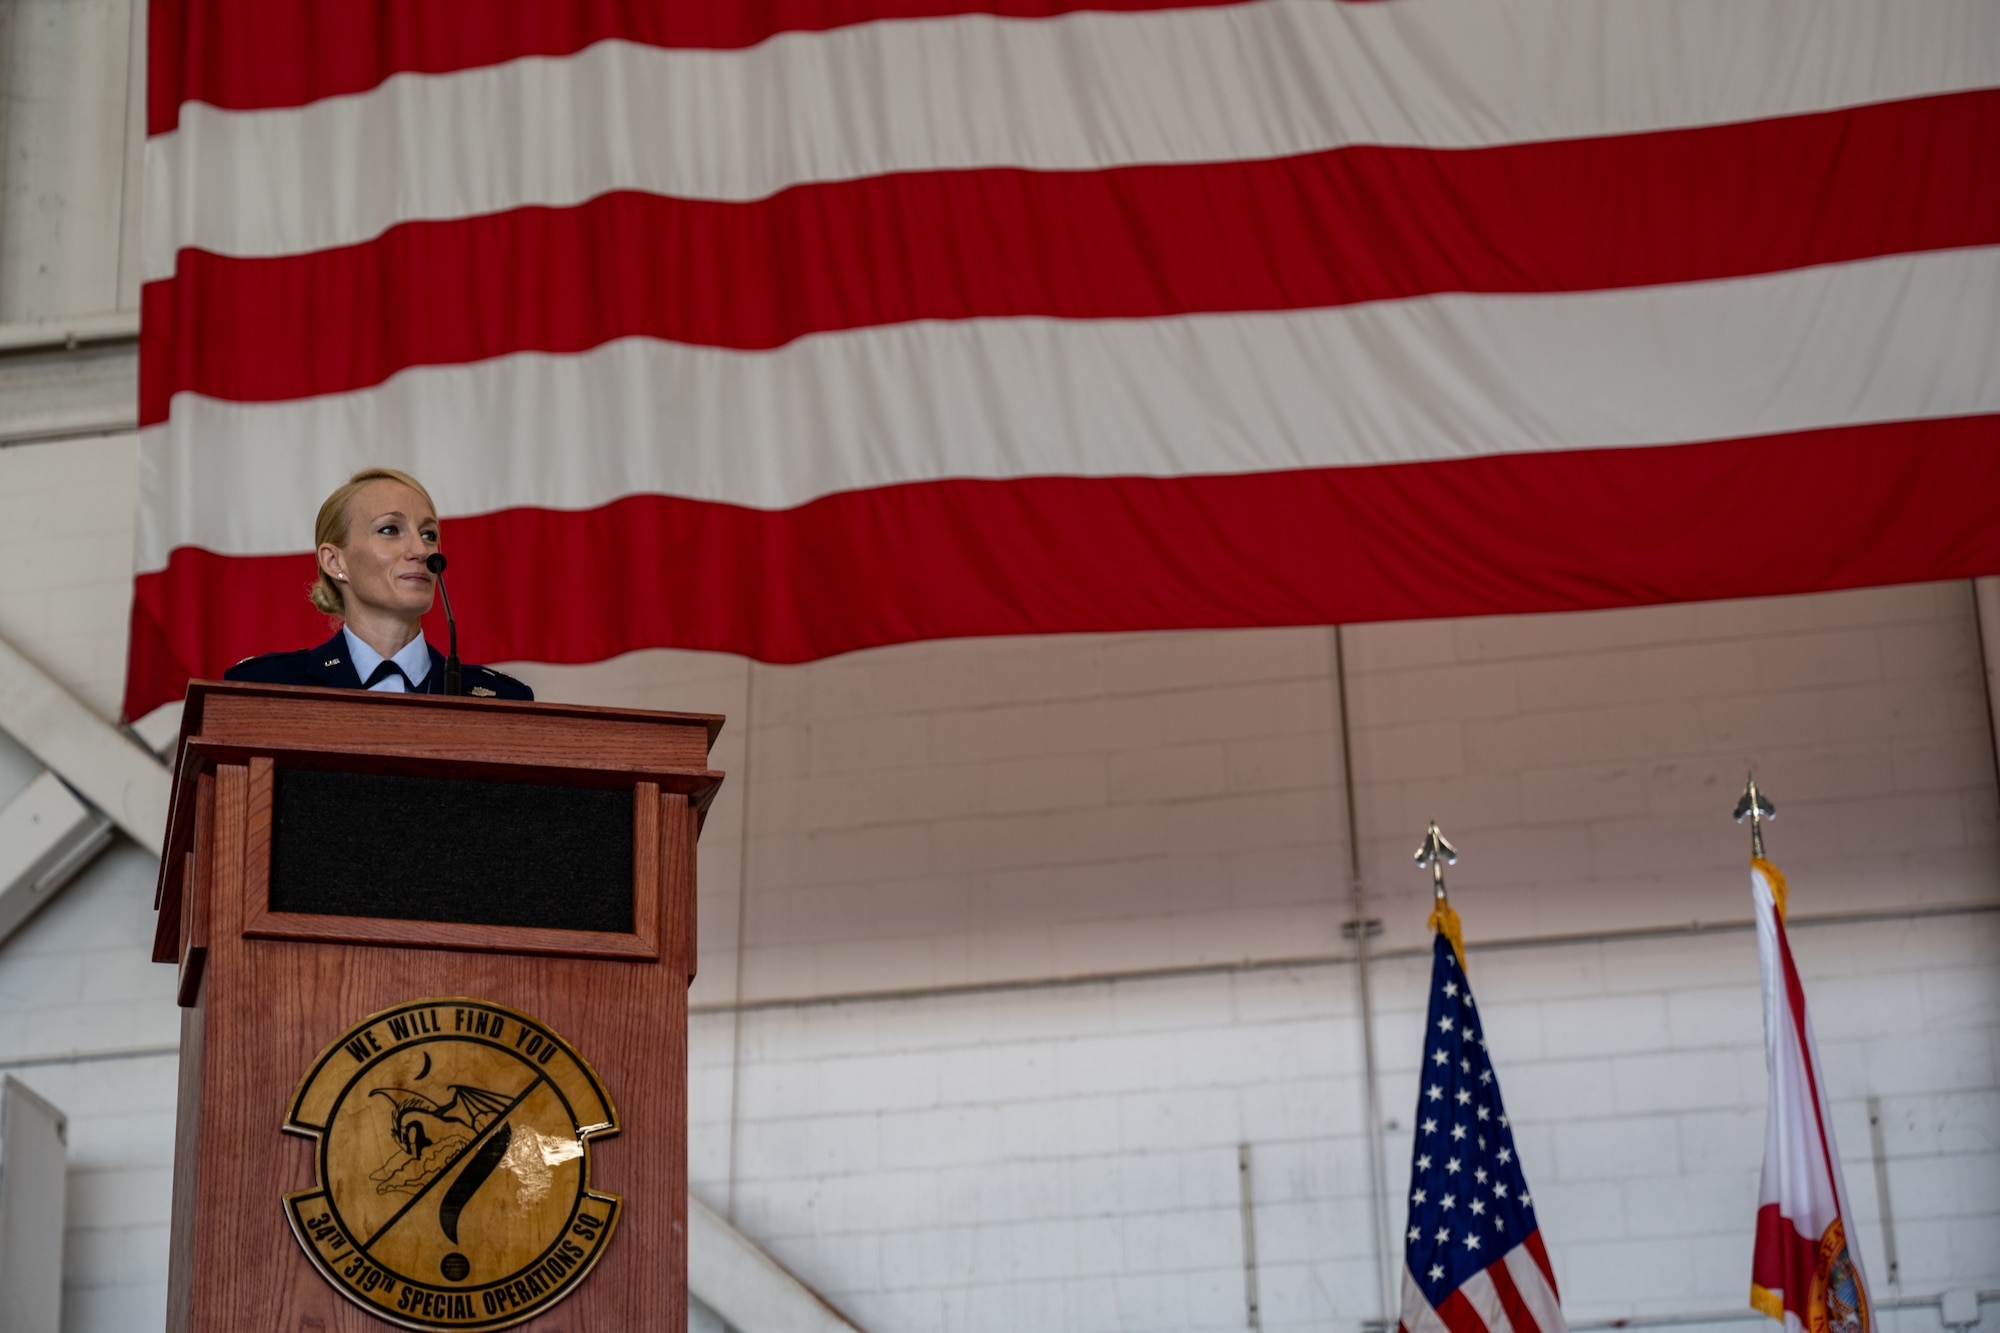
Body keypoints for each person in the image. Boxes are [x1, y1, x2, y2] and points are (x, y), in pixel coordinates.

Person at [225, 468, 533, 700]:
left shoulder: (502, 699)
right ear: (335, 562)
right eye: (389, 530)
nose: (420, 551)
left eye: (429, 535)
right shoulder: (264, 688)